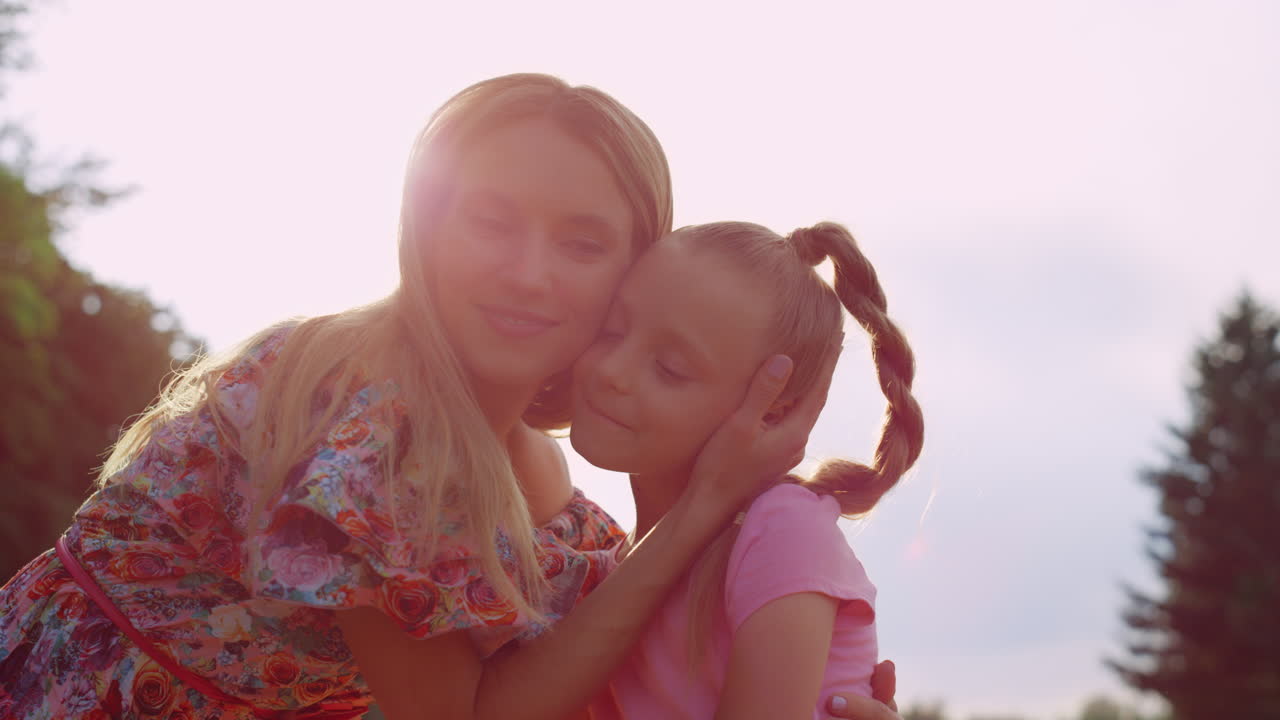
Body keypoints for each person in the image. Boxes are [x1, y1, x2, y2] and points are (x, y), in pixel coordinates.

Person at [0, 74, 901, 720]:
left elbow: (605, 674)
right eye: (492, 221)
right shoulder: (373, 408)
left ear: (639, 272)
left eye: (583, 244)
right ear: (425, 223)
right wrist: (703, 506)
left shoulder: (542, 482)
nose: (528, 274)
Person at [569, 220, 924, 720]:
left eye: (669, 368)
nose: (611, 371)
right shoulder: (612, 569)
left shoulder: (781, 529)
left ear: (773, 411)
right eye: (612, 329)